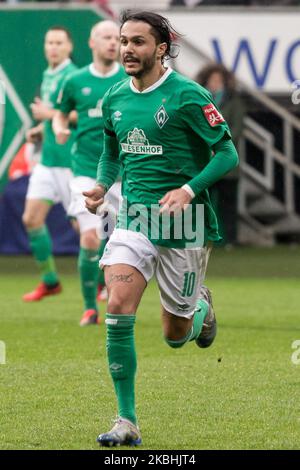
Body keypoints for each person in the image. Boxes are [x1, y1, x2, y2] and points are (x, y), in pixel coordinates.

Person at [84, 10, 239, 447]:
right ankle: (126, 420)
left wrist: (189, 190)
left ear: (162, 48)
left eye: (138, 42)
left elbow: (227, 155)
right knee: (117, 305)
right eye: (123, 41)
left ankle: (200, 311)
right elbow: (111, 151)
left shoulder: (188, 95)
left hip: (184, 222)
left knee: (174, 336)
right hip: (134, 219)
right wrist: (101, 185)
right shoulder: (115, 97)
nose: (127, 49)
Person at [53, 21, 126, 326]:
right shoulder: (75, 81)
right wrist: (58, 127)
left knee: (113, 239)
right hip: (85, 170)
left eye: (116, 38)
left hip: (123, 173)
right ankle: (88, 308)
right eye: (106, 38)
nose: (113, 43)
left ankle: (107, 289)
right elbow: (60, 111)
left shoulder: (129, 80)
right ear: (92, 43)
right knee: (89, 239)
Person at [22, 27, 77, 302]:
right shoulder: (48, 74)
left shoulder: (74, 77)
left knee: (84, 229)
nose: (53, 47)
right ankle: (50, 281)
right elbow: (54, 119)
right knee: (31, 218)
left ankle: (105, 283)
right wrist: (40, 129)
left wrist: (47, 114)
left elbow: (82, 115)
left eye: (59, 42)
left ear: (69, 47)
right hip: (48, 161)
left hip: (71, 163)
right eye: (49, 42)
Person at [196, 63, 245, 245]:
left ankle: (230, 241)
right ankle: (200, 238)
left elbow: (238, 130)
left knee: (228, 205)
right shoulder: (198, 100)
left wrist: (216, 145)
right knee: (200, 204)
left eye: (218, 80)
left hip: (226, 165)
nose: (215, 83)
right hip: (204, 164)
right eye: (212, 80)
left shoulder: (234, 102)